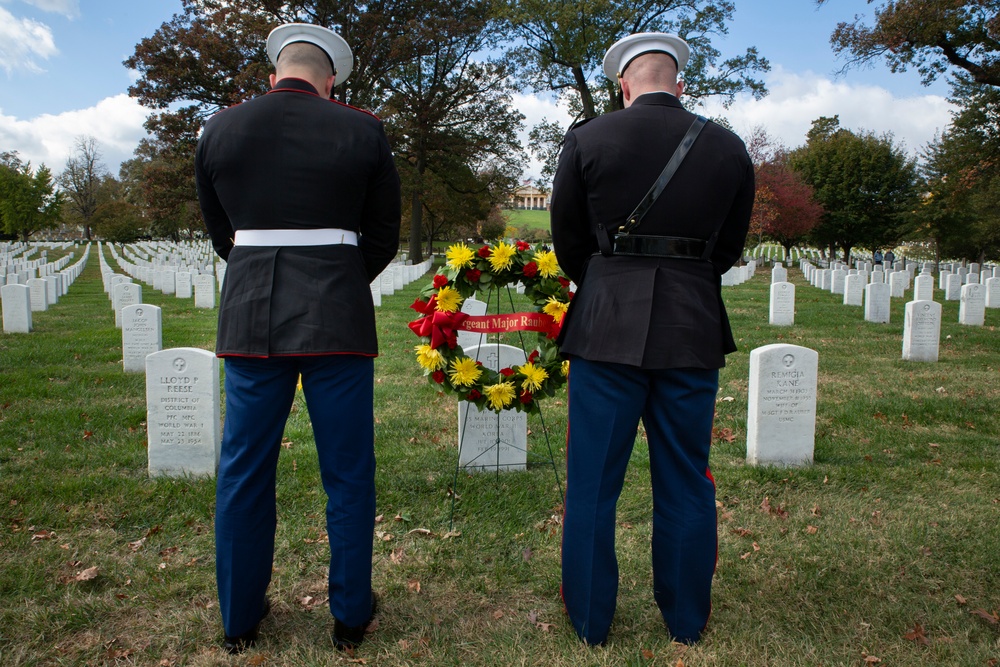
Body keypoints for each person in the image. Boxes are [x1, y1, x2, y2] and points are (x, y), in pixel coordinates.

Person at [194, 22, 401, 654]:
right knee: (346, 470)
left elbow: (220, 230)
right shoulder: (363, 128)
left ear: (273, 73)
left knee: (244, 468)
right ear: (331, 78)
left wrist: (261, 270)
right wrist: (336, 277)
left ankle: (239, 619)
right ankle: (349, 616)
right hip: (336, 312)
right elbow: (383, 234)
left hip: (252, 307)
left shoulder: (219, 128)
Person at [549, 33, 753, 645]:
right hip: (690, 323)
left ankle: (590, 621)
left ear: (624, 85)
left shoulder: (588, 139)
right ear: (679, 83)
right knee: (686, 476)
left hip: (607, 321)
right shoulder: (727, 147)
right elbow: (730, 247)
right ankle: (686, 619)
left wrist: (613, 280)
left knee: (592, 482)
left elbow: (569, 242)